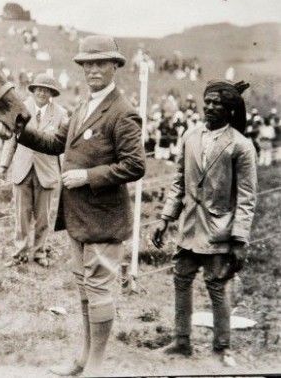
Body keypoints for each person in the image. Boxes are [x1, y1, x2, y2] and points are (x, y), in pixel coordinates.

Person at [16, 35, 146, 375]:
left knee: (99, 289)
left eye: (101, 63)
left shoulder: (123, 112)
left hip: (104, 219)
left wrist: (88, 176)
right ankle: (84, 359)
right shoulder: (82, 107)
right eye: (87, 64)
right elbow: (53, 142)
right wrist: (19, 128)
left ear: (115, 66)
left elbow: (135, 165)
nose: (93, 70)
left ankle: (96, 367)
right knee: (85, 290)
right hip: (77, 217)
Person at [152, 80, 257, 367]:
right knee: (181, 280)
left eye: (217, 103)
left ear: (230, 109)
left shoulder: (240, 146)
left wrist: (239, 240)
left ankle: (222, 347)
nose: (209, 107)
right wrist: (165, 218)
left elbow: (247, 198)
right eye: (207, 101)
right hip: (188, 227)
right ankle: (182, 341)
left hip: (218, 231)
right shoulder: (190, 136)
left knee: (216, 285)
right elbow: (178, 183)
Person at [0, 73, 68, 267]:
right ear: (33, 90)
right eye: (38, 89)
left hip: (46, 171)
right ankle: (19, 252)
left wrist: (66, 170)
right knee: (21, 215)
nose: (42, 93)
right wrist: (4, 165)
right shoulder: (21, 108)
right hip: (22, 169)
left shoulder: (61, 114)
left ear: (52, 93)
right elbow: (11, 139)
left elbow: (63, 144)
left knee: (43, 216)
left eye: (46, 90)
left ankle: (39, 252)